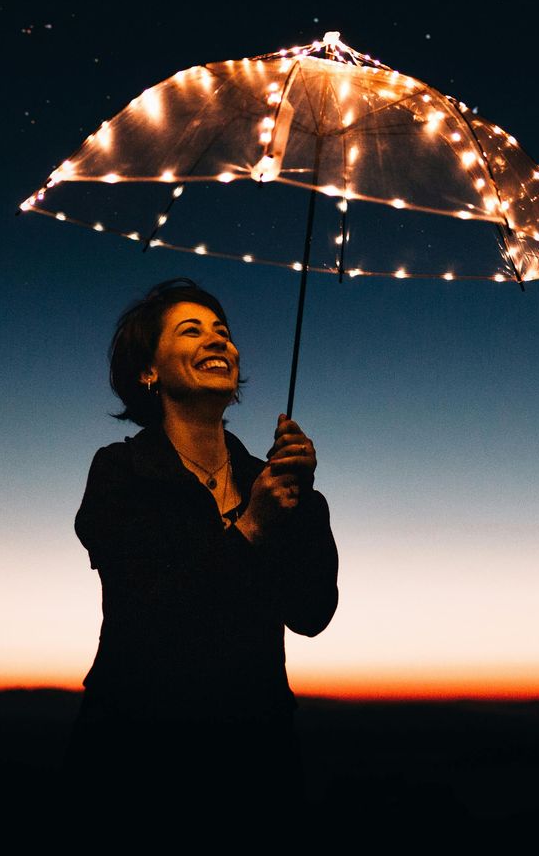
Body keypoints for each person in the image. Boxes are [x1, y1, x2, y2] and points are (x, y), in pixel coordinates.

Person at [66, 277, 339, 792]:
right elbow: (153, 614)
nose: (219, 341)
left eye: (223, 332)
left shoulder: (266, 480)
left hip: (256, 761)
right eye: (191, 332)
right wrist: (253, 526)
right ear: (149, 370)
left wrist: (301, 502)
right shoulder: (121, 473)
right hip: (134, 762)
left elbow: (311, 612)